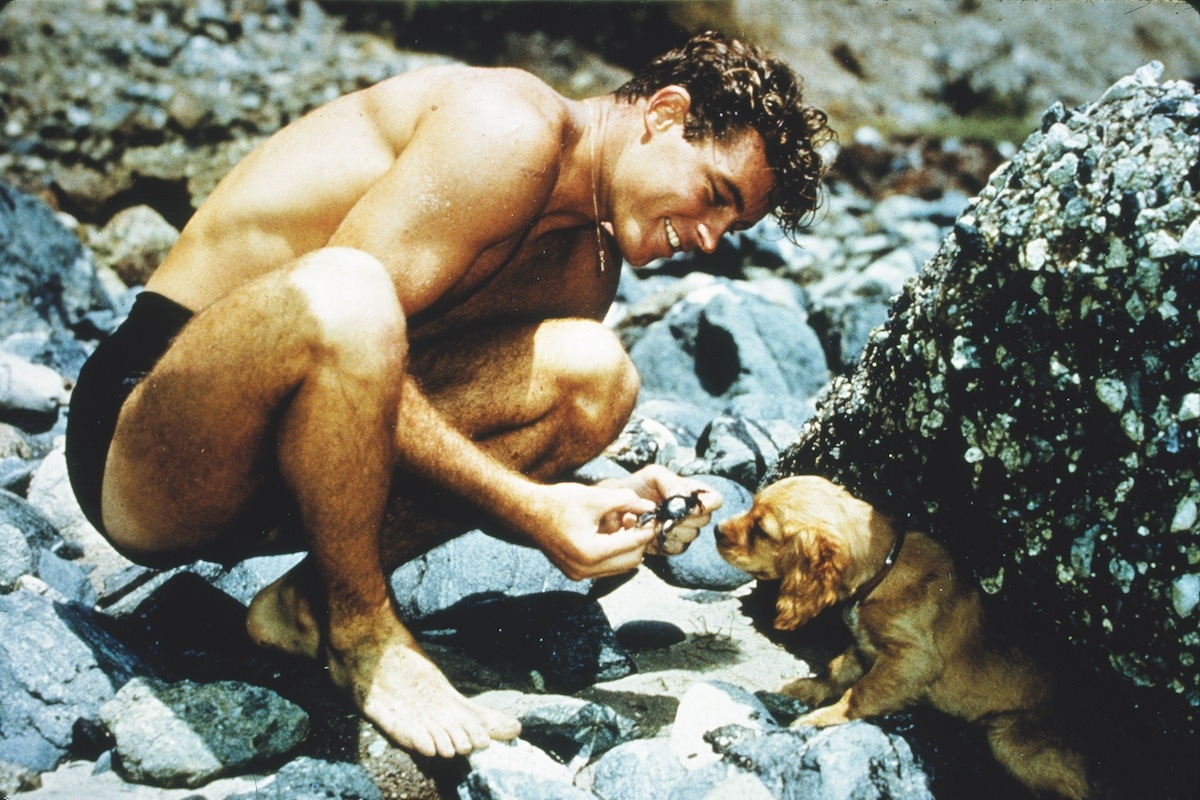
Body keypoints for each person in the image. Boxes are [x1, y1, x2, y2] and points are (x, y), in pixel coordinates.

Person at [65, 30, 831, 758]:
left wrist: (596, 499)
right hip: (151, 439)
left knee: (594, 377)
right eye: (715, 193)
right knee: (353, 293)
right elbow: (343, 333)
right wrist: (530, 506)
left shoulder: (586, 266)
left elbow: (415, 417)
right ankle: (363, 633)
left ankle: (306, 605)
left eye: (733, 224)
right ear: (665, 115)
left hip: (303, 465)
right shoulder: (508, 125)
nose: (708, 238)